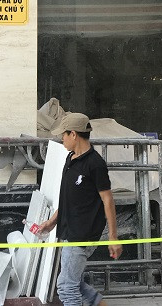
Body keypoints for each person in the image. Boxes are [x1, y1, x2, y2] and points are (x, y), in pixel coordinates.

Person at [37, 112, 123, 305]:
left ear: (73, 134)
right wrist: (52, 222)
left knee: (66, 287)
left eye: (64, 135)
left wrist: (113, 237)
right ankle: (99, 303)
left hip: (82, 234)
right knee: (71, 281)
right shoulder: (71, 159)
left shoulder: (95, 164)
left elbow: (108, 200)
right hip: (69, 230)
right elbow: (68, 199)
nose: (62, 139)